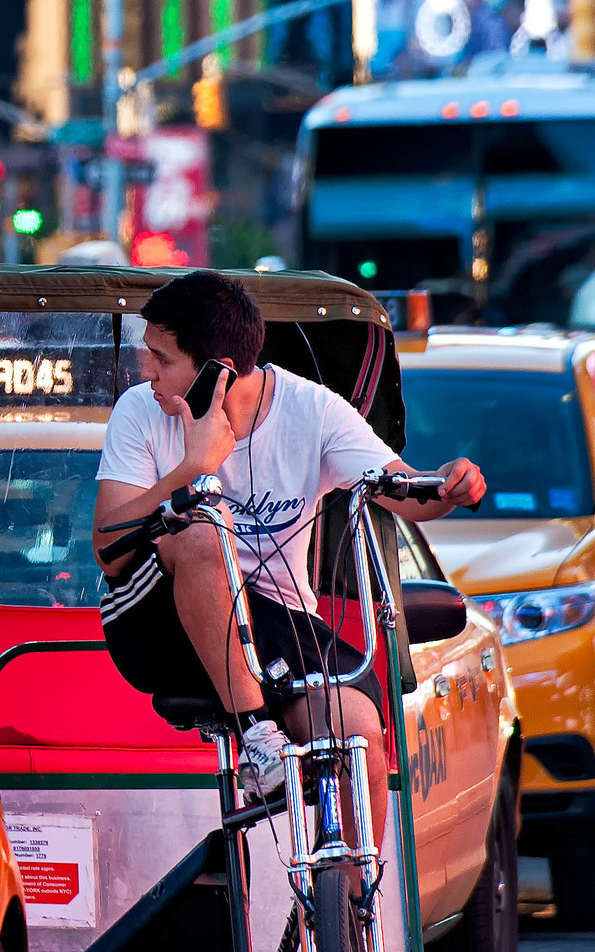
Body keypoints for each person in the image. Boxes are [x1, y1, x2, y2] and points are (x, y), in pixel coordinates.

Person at [91, 269, 485, 852]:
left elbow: (402, 491)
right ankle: (257, 738)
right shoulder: (139, 411)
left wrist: (450, 485)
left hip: (274, 625)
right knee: (204, 527)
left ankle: (353, 919)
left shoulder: (312, 410)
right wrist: (192, 470)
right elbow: (109, 548)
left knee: (357, 732)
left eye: (161, 358)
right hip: (157, 621)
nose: (145, 371)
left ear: (218, 370)